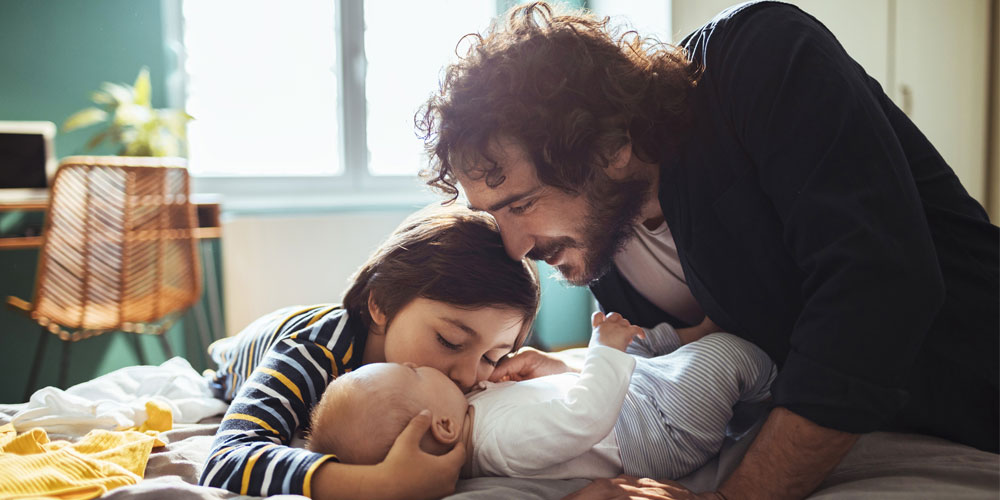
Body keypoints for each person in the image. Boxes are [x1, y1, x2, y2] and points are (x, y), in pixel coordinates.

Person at [416, 1, 999, 499]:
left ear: (612, 146)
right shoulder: (606, 239)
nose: (515, 248)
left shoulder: (758, 61)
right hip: (860, 425)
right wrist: (570, 374)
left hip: (970, 385)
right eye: (496, 216)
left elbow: (878, 289)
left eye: (520, 205)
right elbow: (677, 368)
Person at [198, 205, 540, 500]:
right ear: (381, 304)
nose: (468, 376)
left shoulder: (464, 372)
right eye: (449, 341)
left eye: (492, 357)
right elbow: (225, 459)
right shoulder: (315, 352)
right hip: (239, 355)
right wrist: (374, 485)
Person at [307, 312, 775, 484]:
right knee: (721, 357)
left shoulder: (474, 412)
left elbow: (555, 396)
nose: (422, 366)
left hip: (634, 399)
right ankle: (777, 386)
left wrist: (553, 368)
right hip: (658, 426)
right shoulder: (500, 442)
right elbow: (583, 417)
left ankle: (681, 341)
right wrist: (603, 353)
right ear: (443, 427)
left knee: (636, 345)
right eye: (412, 375)